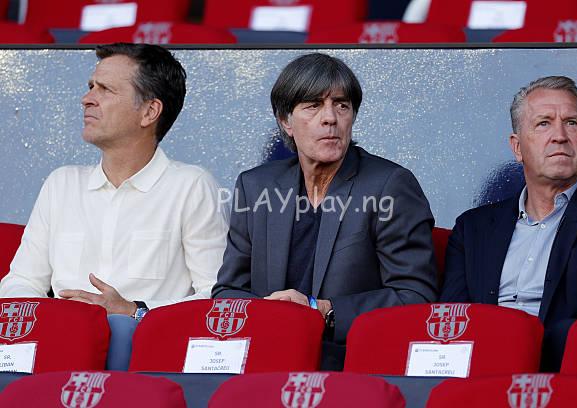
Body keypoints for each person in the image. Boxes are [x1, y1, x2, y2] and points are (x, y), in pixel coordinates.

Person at [0, 43, 229, 369]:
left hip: (147, 362)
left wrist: (135, 311)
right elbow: (20, 283)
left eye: (105, 89)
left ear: (149, 112)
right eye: (91, 86)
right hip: (59, 356)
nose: (87, 98)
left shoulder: (191, 186)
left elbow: (216, 296)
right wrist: (59, 320)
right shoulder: (61, 183)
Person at [212, 53, 437, 369]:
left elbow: (415, 295)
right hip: (266, 357)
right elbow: (227, 291)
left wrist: (323, 310)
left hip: (351, 362)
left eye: (341, 105)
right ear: (286, 121)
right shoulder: (255, 186)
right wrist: (270, 313)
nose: (330, 118)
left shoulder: (389, 185)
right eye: (313, 105)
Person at [441, 76, 577, 371]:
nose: (560, 136)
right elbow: (454, 325)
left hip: (566, 378)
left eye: (571, 122)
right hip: (480, 374)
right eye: (544, 123)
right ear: (517, 147)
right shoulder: (472, 230)